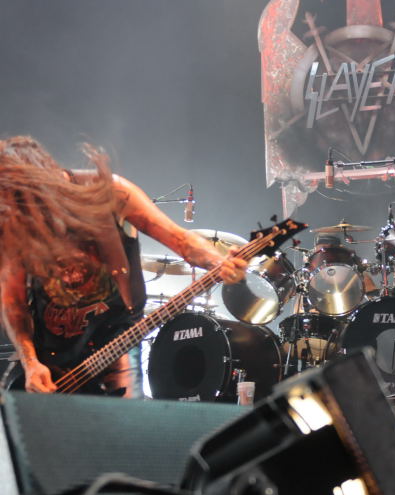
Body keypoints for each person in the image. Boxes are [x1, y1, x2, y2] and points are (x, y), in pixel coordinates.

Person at [0, 135, 247, 396]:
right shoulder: (12, 221)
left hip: (115, 343)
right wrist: (31, 363)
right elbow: (13, 304)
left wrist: (219, 262)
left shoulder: (108, 192)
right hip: (52, 358)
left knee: (119, 418)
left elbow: (181, 240)